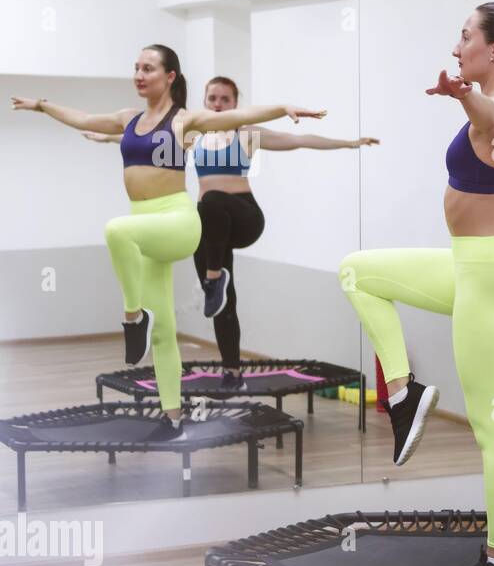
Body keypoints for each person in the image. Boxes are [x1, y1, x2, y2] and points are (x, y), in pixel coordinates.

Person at [338, 2, 494, 566]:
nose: (456, 48)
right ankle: (404, 393)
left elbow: (490, 113)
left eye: (465, 37)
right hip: (470, 268)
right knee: (357, 272)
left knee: (493, 429)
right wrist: (465, 98)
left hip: (492, 278)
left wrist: (462, 96)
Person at [10, 44, 323, 436]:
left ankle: (132, 316)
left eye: (149, 68)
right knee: (164, 331)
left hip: (176, 219)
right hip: (145, 225)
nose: (139, 75)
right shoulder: (129, 118)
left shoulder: (185, 120)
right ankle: (173, 416)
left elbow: (240, 115)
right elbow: (84, 118)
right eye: (136, 68)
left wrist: (282, 107)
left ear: (170, 76)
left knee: (115, 230)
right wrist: (41, 105)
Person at [84, 74, 378, 391]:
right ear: (205, 102)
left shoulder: (246, 134)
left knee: (210, 200)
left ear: (236, 103)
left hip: (244, 217)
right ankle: (232, 369)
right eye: (213, 99)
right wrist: (108, 139)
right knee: (223, 305)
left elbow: (300, 140)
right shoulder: (193, 135)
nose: (219, 105)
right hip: (210, 232)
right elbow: (148, 141)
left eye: (225, 99)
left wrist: (349, 144)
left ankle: (213, 278)